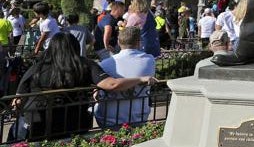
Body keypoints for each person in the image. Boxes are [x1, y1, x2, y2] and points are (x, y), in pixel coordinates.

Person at [14, 33, 156, 140]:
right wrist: (140, 79)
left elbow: (17, 101)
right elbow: (112, 84)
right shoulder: (85, 65)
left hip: (38, 123)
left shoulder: (37, 68)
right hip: (74, 123)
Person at [95, 26, 156, 128]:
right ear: (139, 43)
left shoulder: (104, 64)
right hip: (139, 117)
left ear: (119, 42)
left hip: (108, 119)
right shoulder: (149, 60)